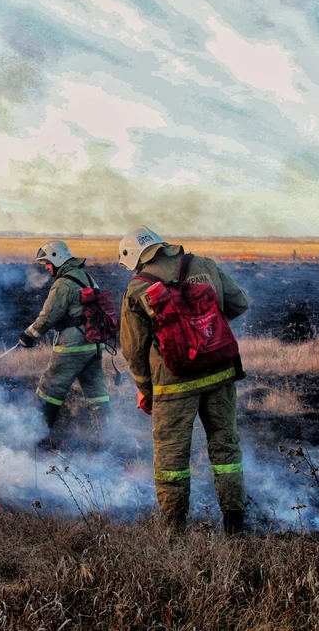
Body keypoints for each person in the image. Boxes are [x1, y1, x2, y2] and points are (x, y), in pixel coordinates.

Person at [117, 225, 250, 534]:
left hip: (172, 381)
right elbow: (239, 302)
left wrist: (143, 388)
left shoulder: (138, 287)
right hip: (220, 370)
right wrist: (202, 329)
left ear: (134, 256)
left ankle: (175, 529)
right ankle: (235, 524)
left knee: (171, 454)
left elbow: (133, 348)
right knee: (226, 448)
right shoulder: (203, 265)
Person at [19, 240, 110, 451]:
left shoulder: (63, 284)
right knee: (97, 392)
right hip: (94, 344)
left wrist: (29, 335)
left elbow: (48, 316)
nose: (46, 267)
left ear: (57, 259)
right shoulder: (87, 277)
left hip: (72, 346)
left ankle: (38, 438)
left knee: (50, 387)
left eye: (47, 262)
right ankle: (106, 439)